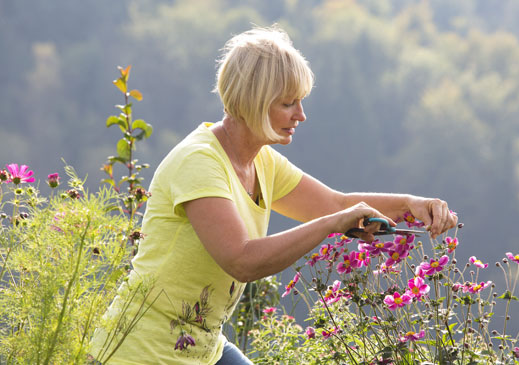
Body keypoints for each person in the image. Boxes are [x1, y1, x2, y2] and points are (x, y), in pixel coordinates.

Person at [89, 25, 457, 364]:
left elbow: (336, 204)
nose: (301, 115)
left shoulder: (261, 161)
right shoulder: (198, 162)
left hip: (203, 348)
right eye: (287, 103)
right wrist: (332, 225)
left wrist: (412, 203)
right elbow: (242, 260)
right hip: (143, 351)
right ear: (252, 100)